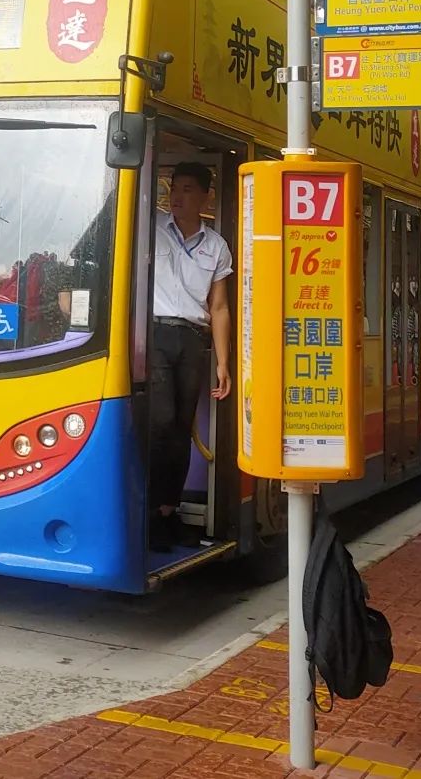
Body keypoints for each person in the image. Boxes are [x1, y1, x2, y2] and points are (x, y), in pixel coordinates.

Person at [149, 161, 232, 552]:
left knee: (181, 428)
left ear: (204, 196)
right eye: (172, 188)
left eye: (185, 188)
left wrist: (222, 362)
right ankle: (147, 509)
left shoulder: (216, 245)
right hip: (154, 334)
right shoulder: (151, 229)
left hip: (193, 339)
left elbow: (219, 308)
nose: (176, 196)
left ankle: (167, 512)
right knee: (160, 420)